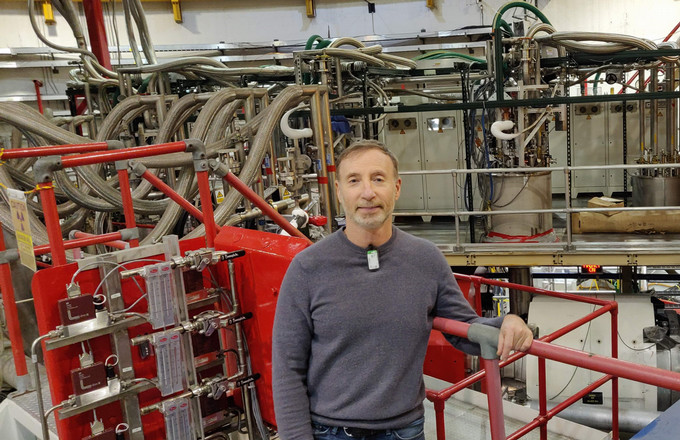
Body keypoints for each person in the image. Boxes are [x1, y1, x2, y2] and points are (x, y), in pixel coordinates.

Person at [272, 140, 533, 440]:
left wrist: (506, 323)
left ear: (396, 188)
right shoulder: (308, 268)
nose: (368, 192)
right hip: (331, 432)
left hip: (405, 431)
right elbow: (287, 369)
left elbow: (464, 327)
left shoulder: (425, 259)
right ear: (339, 190)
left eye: (378, 179)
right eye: (354, 180)